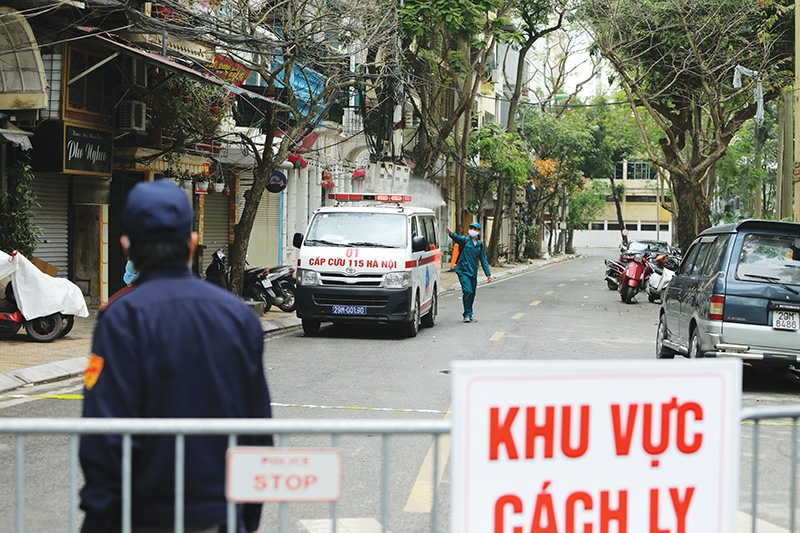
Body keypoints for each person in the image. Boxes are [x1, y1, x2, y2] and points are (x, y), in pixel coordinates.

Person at [79, 179, 272, 533]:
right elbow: (256, 424)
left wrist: (100, 515)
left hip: (142, 515)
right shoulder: (238, 316)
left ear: (126, 247)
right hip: (219, 514)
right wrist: (250, 517)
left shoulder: (121, 317)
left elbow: (103, 430)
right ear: (192, 244)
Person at [446, 221, 492, 322]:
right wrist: (451, 233)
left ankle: (470, 313)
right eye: (471, 228)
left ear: (478, 231)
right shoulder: (465, 240)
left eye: (475, 229)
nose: (472, 230)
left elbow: (483, 259)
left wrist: (488, 274)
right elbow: (457, 238)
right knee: (467, 290)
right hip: (463, 270)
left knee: (472, 293)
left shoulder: (480, 245)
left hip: (473, 272)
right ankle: (466, 314)